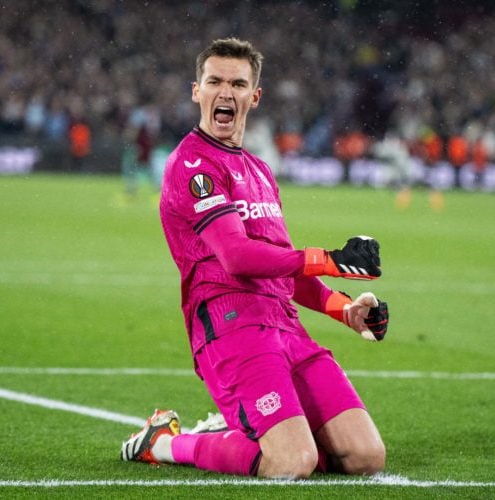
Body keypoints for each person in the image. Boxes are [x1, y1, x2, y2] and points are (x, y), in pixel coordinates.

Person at [121, 38, 390, 479]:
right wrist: (331, 258)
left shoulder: (260, 171)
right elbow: (239, 256)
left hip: (286, 324)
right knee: (291, 462)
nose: (225, 92)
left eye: (238, 83)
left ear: (254, 96)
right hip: (233, 327)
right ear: (197, 91)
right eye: (215, 81)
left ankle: (248, 431)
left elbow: (284, 266)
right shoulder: (192, 165)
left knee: (364, 457)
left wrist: (346, 311)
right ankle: (165, 442)